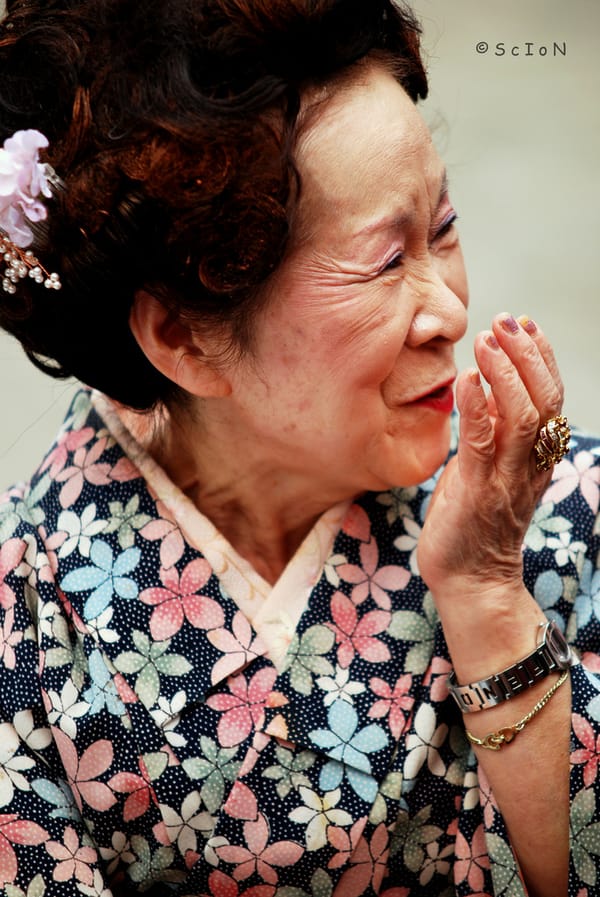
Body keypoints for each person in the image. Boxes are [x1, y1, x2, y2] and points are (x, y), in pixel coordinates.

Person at [0, 1, 598, 895]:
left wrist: (486, 593)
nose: (450, 312)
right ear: (184, 338)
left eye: (441, 228)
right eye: (386, 262)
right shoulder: (24, 615)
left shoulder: (562, 509)